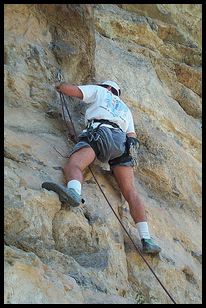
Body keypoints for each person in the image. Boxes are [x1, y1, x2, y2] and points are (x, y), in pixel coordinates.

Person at [42, 80, 161, 255]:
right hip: (122, 144)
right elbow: (132, 136)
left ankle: (74, 192)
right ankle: (147, 239)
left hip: (101, 133)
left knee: (75, 164)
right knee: (130, 192)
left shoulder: (99, 91)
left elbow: (73, 91)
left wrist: (59, 85)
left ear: (106, 87)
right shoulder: (125, 109)